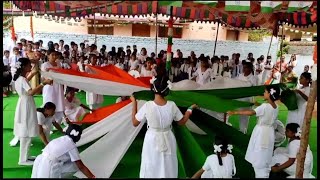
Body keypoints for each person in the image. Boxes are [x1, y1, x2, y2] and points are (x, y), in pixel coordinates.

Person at [130, 75, 197, 178]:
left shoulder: (148, 105)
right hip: (168, 137)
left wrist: (134, 103)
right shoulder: (172, 105)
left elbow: (134, 122)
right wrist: (189, 109)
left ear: (153, 89)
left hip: (152, 138)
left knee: (151, 162)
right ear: (166, 90)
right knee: (167, 163)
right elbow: (181, 122)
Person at [227, 85, 280, 178]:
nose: (264, 93)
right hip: (269, 131)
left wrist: (235, 112)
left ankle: (260, 171)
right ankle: (263, 167)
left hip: (262, 131)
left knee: (259, 151)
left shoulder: (265, 106)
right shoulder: (276, 107)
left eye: (265, 92)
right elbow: (267, 109)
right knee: (265, 151)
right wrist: (258, 105)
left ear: (269, 94)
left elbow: (251, 113)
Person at [12, 58, 52, 165]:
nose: (30, 67)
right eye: (29, 65)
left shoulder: (20, 78)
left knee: (26, 129)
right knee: (26, 130)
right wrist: (43, 83)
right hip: (26, 105)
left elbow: (26, 82)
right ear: (24, 67)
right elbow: (31, 92)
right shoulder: (22, 79)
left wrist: (34, 73)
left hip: (24, 103)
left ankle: (25, 156)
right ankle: (22, 159)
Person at [31, 124, 95, 178]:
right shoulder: (71, 145)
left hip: (39, 161)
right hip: (48, 166)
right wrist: (92, 177)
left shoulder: (60, 139)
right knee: (75, 166)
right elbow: (81, 166)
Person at [41, 50, 66, 126]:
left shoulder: (58, 63)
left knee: (59, 102)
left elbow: (61, 73)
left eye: (55, 55)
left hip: (58, 86)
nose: (54, 57)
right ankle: (47, 122)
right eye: (52, 55)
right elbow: (43, 77)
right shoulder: (45, 65)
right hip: (49, 86)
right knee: (50, 102)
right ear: (48, 56)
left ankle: (58, 121)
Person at [236, 62, 258, 134]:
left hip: (248, 99)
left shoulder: (253, 78)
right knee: (240, 114)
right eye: (243, 67)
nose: (244, 69)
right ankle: (241, 129)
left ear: (250, 68)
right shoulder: (240, 76)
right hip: (240, 98)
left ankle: (243, 130)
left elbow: (254, 89)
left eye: (246, 67)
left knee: (245, 115)